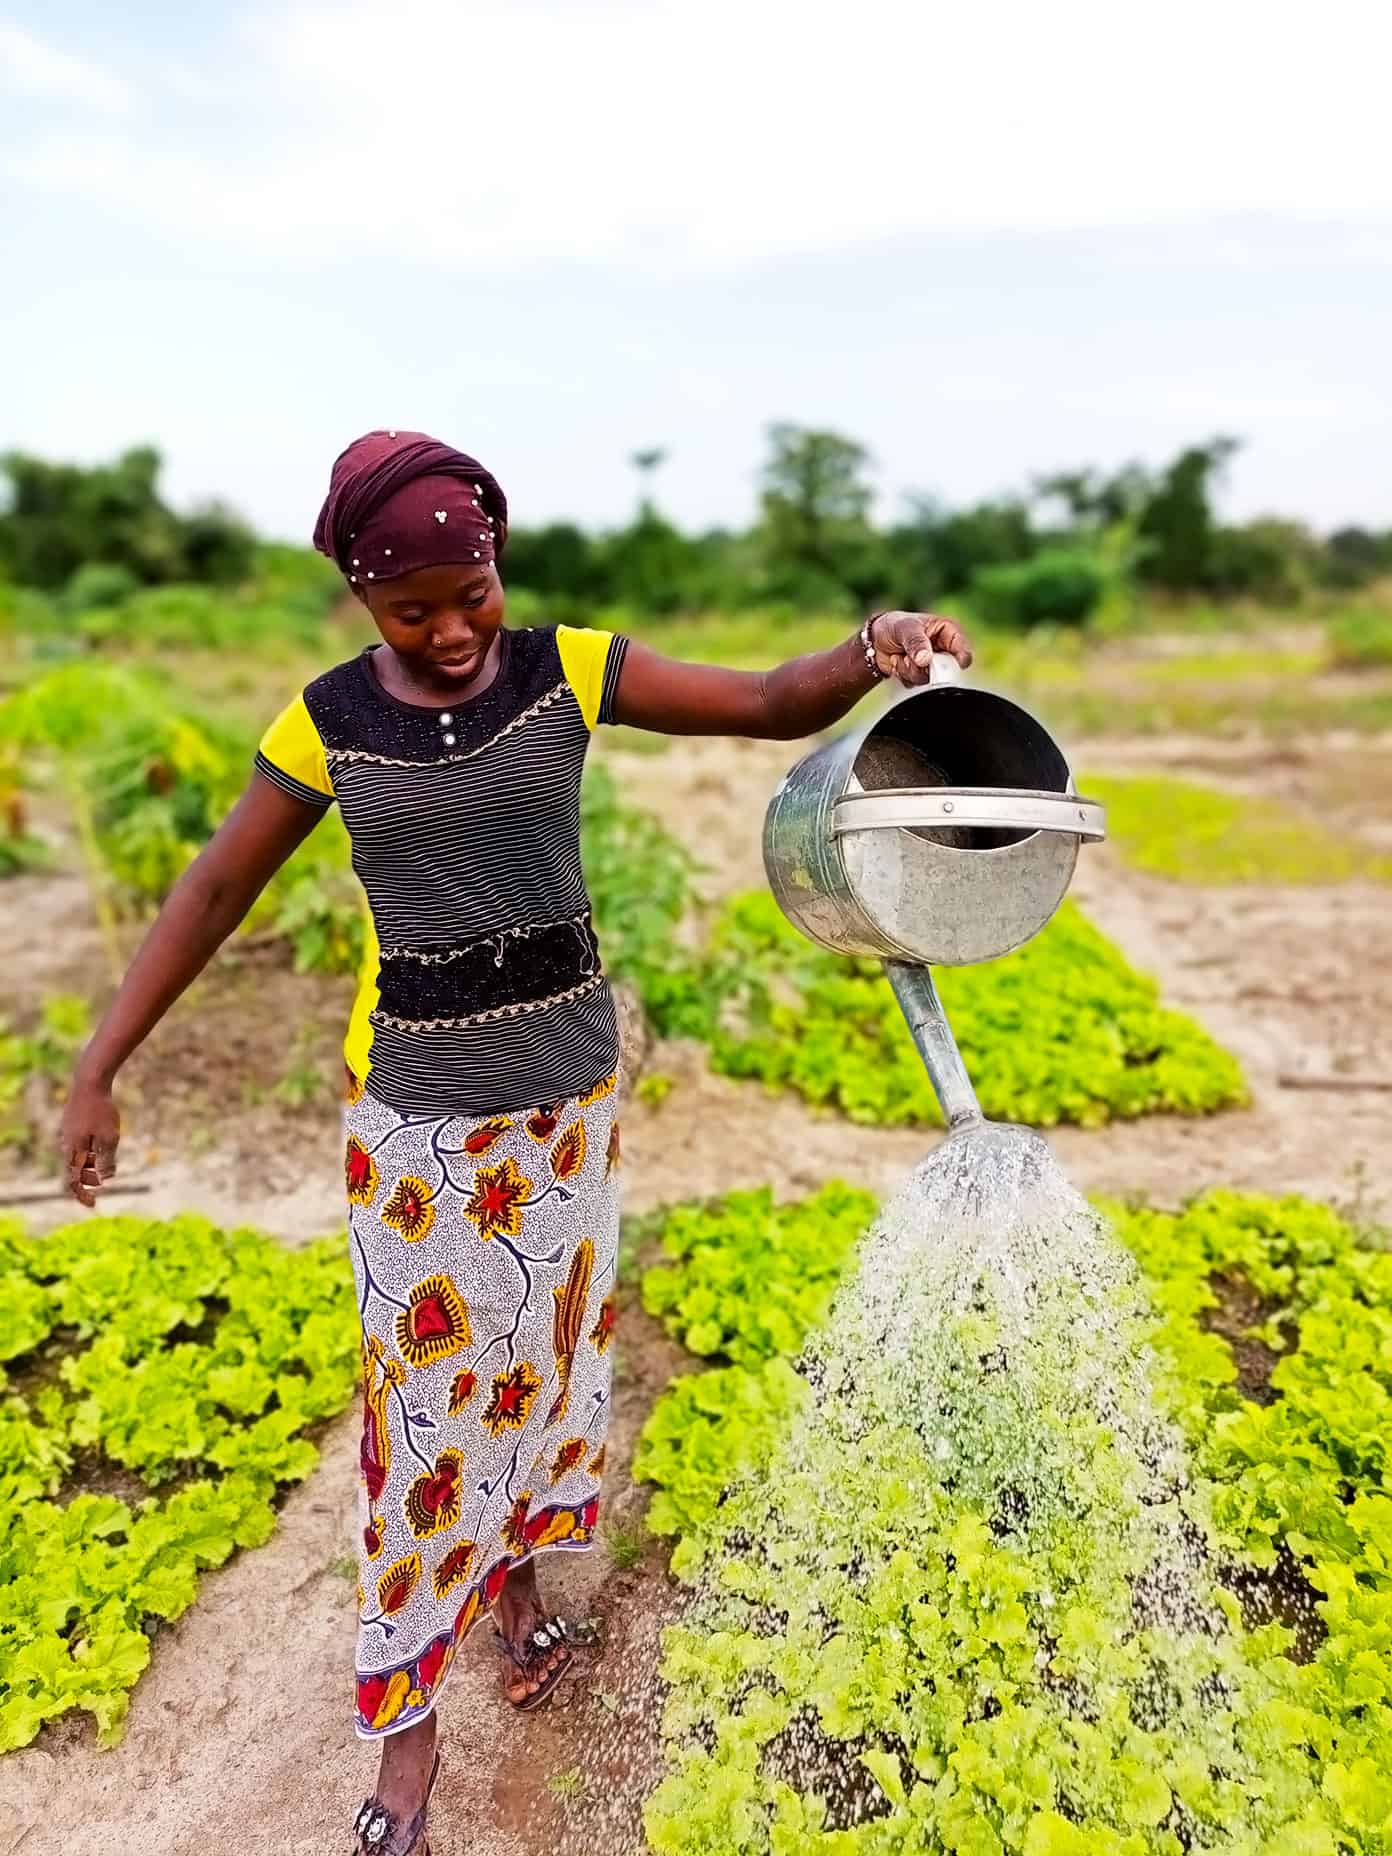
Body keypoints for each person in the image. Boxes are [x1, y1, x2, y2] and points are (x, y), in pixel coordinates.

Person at [58, 430, 972, 1856]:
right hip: (420, 1118)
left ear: (496, 562)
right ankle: (407, 1730)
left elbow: (763, 701)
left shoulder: (572, 667)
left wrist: (878, 643)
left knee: (545, 1366)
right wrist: (99, 1068)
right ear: (362, 599)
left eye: (468, 594)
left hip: (564, 1101)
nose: (447, 630)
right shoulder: (325, 722)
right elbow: (214, 890)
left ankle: (523, 1596)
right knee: (422, 1410)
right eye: (410, 610)